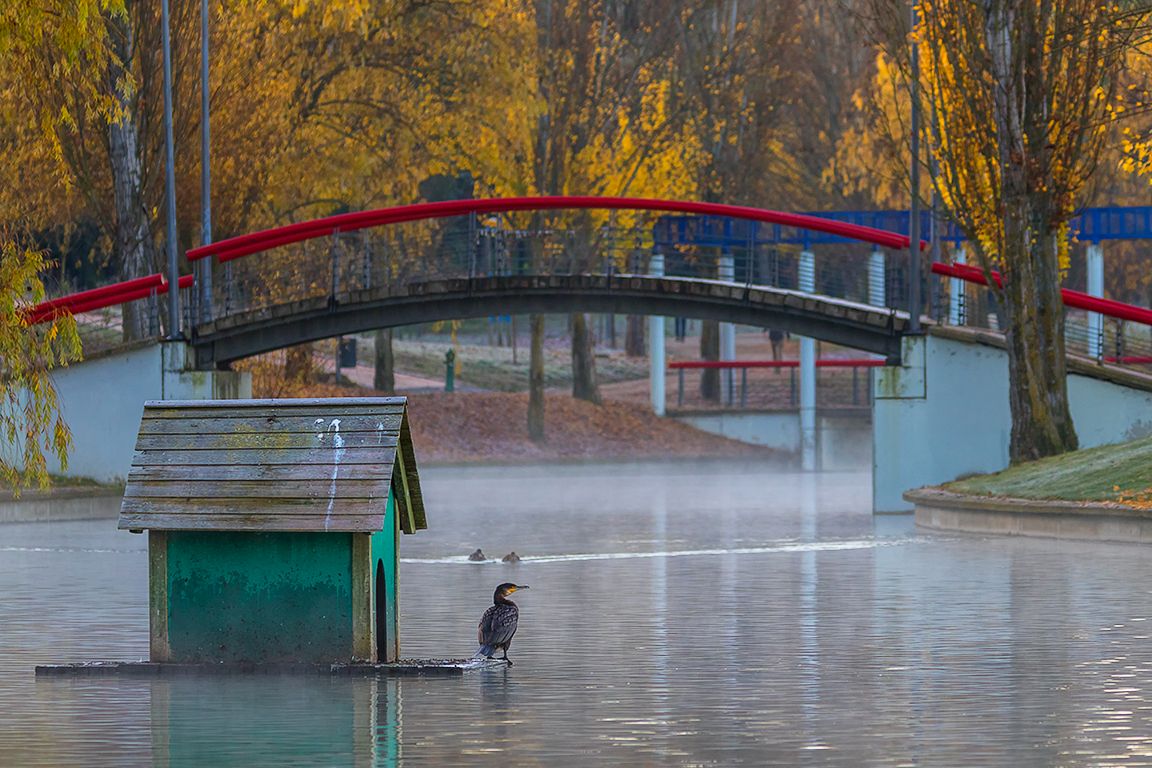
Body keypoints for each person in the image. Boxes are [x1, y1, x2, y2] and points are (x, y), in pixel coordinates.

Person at [475, 583, 529, 665]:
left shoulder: (489, 612)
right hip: (494, 643)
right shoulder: (511, 611)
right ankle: (505, 656)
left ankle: (490, 655)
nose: (515, 589)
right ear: (501, 592)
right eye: (511, 588)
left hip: (485, 644)